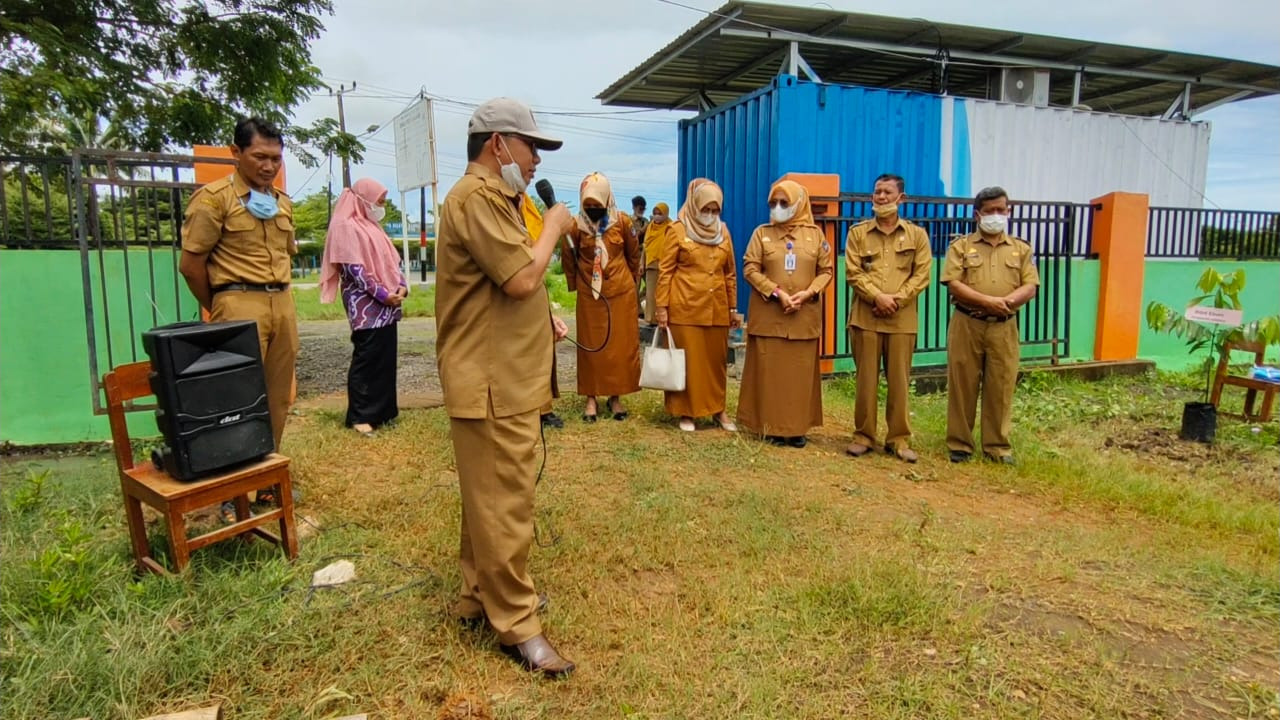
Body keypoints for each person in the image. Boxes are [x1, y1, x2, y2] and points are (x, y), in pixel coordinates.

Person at [434, 97, 576, 677]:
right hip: (490, 379)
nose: (537, 159)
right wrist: (556, 227)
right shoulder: (476, 198)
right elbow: (520, 277)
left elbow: (510, 285)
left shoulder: (500, 200)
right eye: (531, 146)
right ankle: (518, 623)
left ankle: (478, 596)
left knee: (486, 497)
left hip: (503, 375)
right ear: (498, 144)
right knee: (506, 503)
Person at [180, 117, 297, 516]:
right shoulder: (214, 200)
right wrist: (221, 305)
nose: (269, 166)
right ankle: (233, 491)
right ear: (236, 153)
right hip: (237, 302)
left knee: (277, 397)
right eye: (260, 156)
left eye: (276, 158)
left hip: (281, 302)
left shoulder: (282, 202)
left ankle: (265, 480)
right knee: (236, 400)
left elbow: (285, 253)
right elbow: (191, 265)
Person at [941, 186, 1040, 465]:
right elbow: (953, 283)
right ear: (977, 215)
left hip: (1004, 326)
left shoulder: (1021, 249)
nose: (996, 215)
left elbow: (1030, 285)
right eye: (989, 211)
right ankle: (960, 444)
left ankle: (997, 446)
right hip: (967, 322)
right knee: (963, 383)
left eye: (1000, 210)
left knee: (1001, 385)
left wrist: (1006, 303)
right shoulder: (960, 246)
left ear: (1009, 211)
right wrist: (988, 301)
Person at [737, 180, 833, 447]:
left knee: (798, 375)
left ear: (798, 204)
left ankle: (796, 428)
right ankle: (769, 426)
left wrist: (809, 293)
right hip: (770, 315)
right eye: (773, 203)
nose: (777, 208)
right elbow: (750, 269)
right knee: (770, 373)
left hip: (803, 317)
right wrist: (777, 292)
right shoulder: (761, 234)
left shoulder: (815, 235)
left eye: (784, 202)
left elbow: (826, 271)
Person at [844, 174, 932, 463]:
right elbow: (853, 272)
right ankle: (863, 436)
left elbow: (922, 275)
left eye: (887, 192)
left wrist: (896, 299)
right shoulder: (858, 233)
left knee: (899, 382)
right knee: (865, 381)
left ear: (901, 198)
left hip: (901, 320)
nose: (881, 197)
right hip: (865, 318)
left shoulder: (917, 235)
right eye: (877, 192)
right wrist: (877, 297)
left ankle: (898, 439)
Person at [318, 178, 406, 437]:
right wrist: (383, 295)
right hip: (365, 305)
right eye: (379, 201)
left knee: (385, 358)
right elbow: (354, 270)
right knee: (367, 359)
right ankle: (360, 416)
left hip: (388, 303)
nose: (381, 207)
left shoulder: (372, 226)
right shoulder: (345, 227)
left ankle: (384, 412)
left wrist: (401, 286)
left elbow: (393, 263)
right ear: (363, 199)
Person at [655, 178, 740, 433]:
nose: (710, 215)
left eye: (715, 210)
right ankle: (687, 411)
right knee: (689, 362)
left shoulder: (723, 232)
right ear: (694, 205)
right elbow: (665, 271)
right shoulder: (677, 230)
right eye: (705, 209)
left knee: (716, 363)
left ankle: (718, 410)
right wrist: (662, 307)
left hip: (717, 309)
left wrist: (732, 308)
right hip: (685, 307)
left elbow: (730, 273)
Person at [563, 173, 641, 421]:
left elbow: (633, 255)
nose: (593, 209)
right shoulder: (575, 225)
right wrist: (574, 286)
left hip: (620, 293)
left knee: (619, 346)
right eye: (588, 204)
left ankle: (616, 397)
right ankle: (591, 398)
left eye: (597, 204)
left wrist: (632, 284)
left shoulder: (622, 221)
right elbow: (568, 257)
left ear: (607, 199)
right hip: (590, 295)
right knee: (591, 347)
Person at [520, 193, 566, 430]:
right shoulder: (496, 208)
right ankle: (526, 409)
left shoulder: (528, 208)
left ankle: (544, 408)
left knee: (544, 351)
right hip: (516, 289)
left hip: (536, 287)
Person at [641, 202, 672, 324]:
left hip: (666, 265)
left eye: (660, 213)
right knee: (650, 294)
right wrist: (641, 263)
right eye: (655, 213)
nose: (657, 216)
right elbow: (645, 246)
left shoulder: (670, 227)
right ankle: (651, 319)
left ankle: (664, 318)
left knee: (664, 294)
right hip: (651, 264)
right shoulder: (650, 227)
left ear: (666, 214)